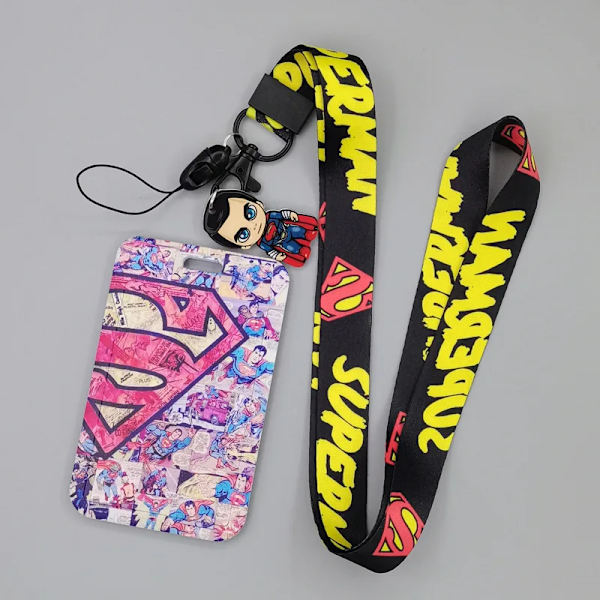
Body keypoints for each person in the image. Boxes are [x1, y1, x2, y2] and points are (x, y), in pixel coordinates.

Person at [203, 190, 318, 267]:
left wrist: (289, 215)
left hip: (287, 229)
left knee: (297, 230)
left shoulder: (271, 216)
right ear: (245, 246)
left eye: (250, 213)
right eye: (243, 234)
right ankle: (301, 250)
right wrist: (277, 256)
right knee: (291, 247)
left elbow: (281, 215)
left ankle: (306, 234)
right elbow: (270, 251)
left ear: (259, 204)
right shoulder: (262, 243)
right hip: (283, 243)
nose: (253, 225)